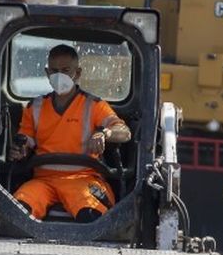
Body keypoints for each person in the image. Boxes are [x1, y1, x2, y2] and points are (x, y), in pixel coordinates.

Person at [8, 44, 131, 221]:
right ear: (47, 72)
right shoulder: (34, 107)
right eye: (54, 70)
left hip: (82, 180)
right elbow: (25, 140)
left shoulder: (94, 106)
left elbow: (124, 131)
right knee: (18, 212)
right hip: (43, 181)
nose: (59, 76)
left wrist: (104, 133)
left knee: (91, 216)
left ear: (78, 73)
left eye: (65, 70)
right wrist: (19, 150)